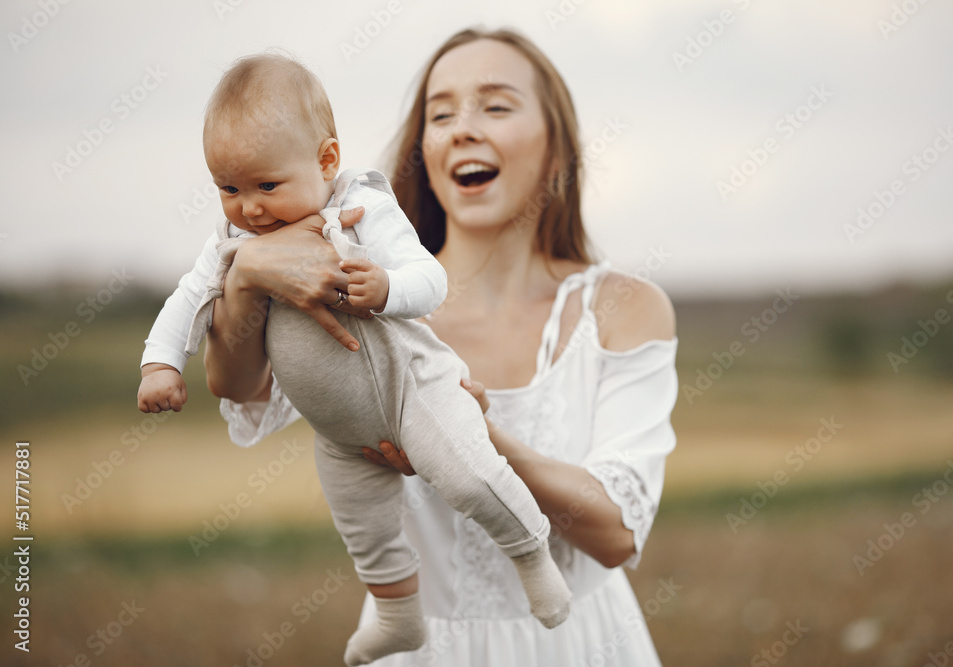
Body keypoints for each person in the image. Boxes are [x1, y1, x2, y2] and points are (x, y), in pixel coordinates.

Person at [204, 29, 678, 666]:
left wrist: (477, 435)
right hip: (417, 647)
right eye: (442, 113)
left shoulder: (624, 308)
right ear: (424, 148)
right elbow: (235, 386)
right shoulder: (354, 281)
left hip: (580, 644)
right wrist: (247, 273)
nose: (463, 129)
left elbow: (618, 534)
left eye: (497, 106)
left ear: (556, 143)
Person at [136, 53, 572, 666]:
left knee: (470, 478)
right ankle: (397, 616)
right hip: (340, 432)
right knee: (364, 530)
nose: (250, 208)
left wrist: (387, 290)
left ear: (326, 162)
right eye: (228, 189)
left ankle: (530, 553)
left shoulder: (360, 210)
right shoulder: (233, 244)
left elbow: (430, 278)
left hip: (414, 390)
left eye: (266, 185)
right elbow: (187, 299)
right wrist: (160, 364)